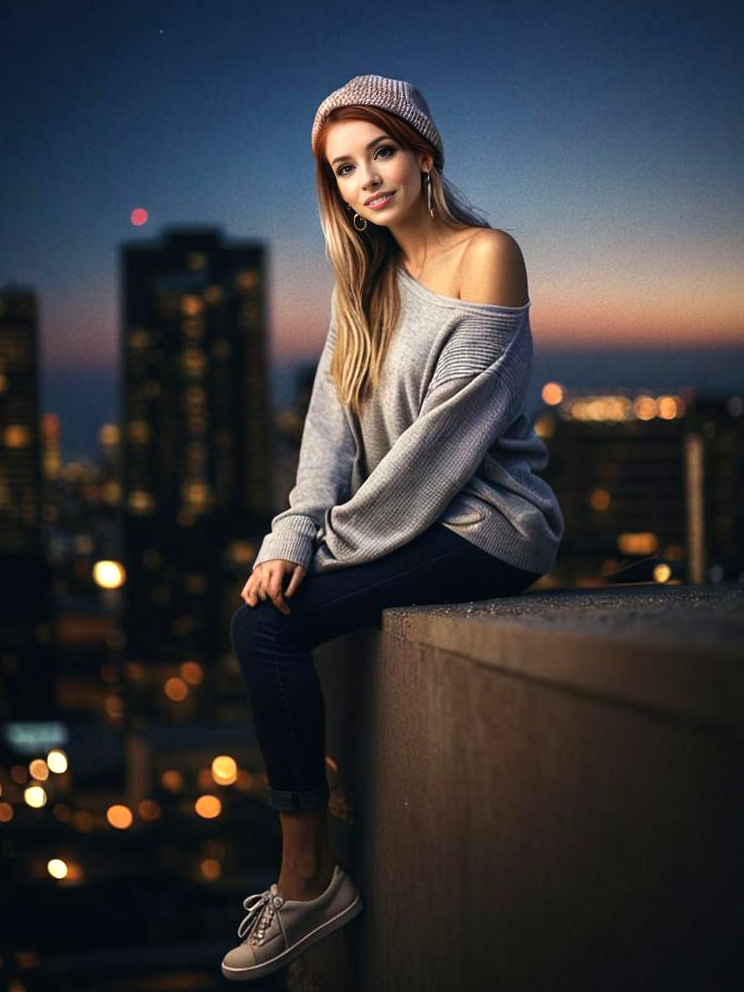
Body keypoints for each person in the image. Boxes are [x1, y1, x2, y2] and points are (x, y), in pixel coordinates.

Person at [221, 73, 565, 982]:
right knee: (263, 611)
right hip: (402, 527)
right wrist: (290, 538)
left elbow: (437, 455)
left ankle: (307, 883)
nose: (367, 178)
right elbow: (328, 436)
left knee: (266, 626)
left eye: (382, 151)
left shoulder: (488, 254)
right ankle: (310, 877)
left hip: (489, 525)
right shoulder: (362, 281)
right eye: (344, 168)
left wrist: (329, 548)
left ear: (423, 152)